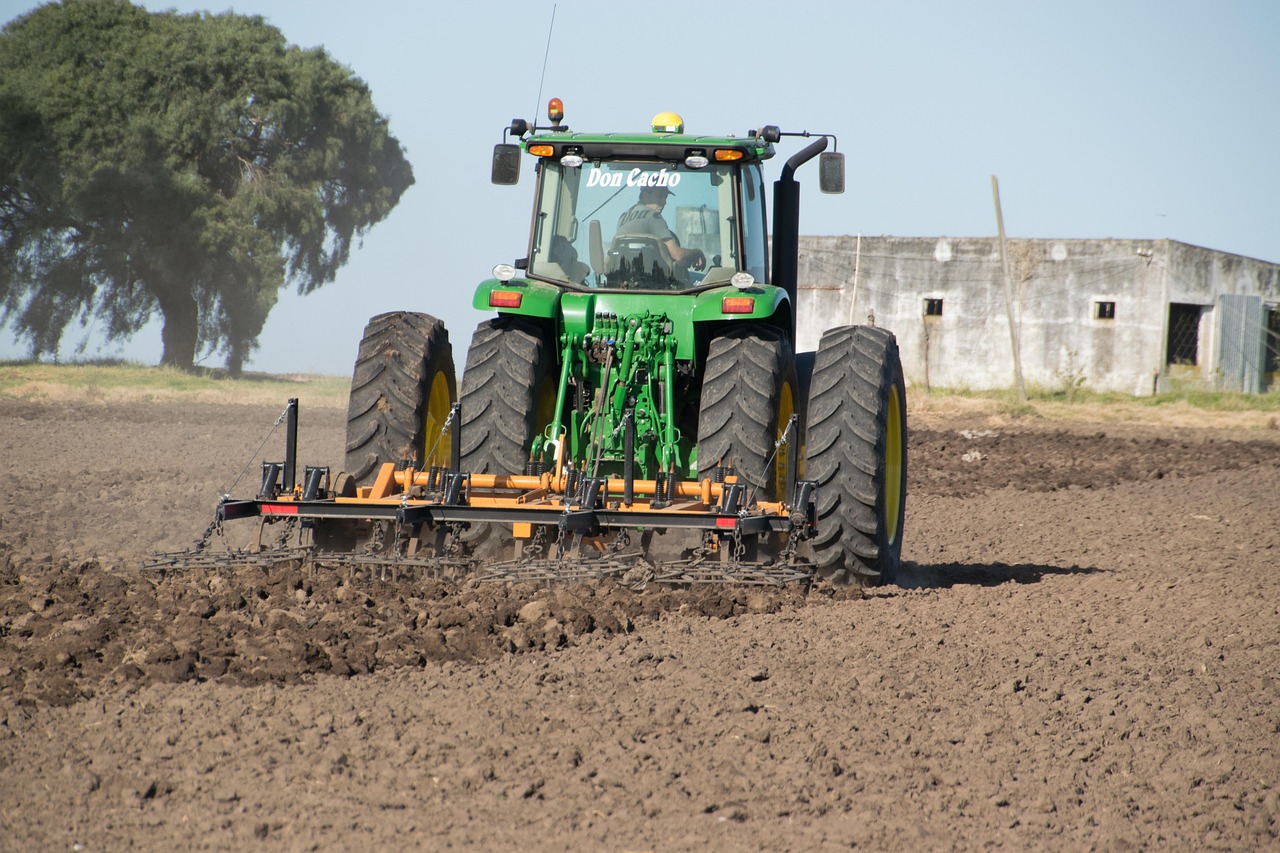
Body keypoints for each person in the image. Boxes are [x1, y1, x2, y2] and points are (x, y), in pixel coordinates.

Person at [614, 186, 705, 274]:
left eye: (665, 197)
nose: (664, 202)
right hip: (653, 280)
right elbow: (677, 255)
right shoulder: (653, 216)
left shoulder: (623, 216)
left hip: (624, 278)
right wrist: (698, 253)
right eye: (660, 196)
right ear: (645, 195)